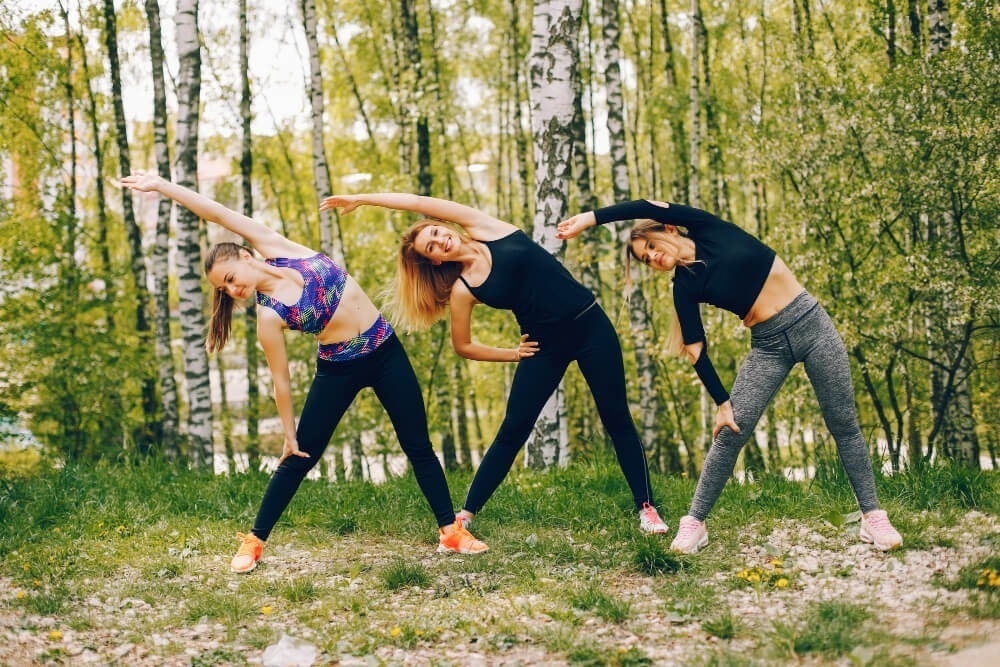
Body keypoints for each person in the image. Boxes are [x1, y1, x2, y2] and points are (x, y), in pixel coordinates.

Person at [116, 172, 487, 573]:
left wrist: (162, 186)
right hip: (338, 368)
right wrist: (289, 432)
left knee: (417, 445)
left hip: (385, 350)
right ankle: (254, 541)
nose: (232, 290)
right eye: (224, 290)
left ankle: (450, 531)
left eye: (229, 279)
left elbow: (218, 213)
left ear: (244, 256)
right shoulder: (267, 316)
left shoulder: (279, 248)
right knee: (298, 456)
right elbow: (281, 380)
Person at [557, 199, 902, 553]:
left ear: (669, 229)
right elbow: (695, 350)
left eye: (651, 246)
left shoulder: (709, 229)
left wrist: (590, 219)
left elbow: (645, 204)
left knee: (843, 423)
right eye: (646, 260)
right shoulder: (684, 286)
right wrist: (722, 403)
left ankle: (872, 517)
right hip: (769, 345)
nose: (654, 258)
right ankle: (694, 524)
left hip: (813, 326)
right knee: (730, 431)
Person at [319, 193, 670, 536]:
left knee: (616, 417)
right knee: (513, 429)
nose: (441, 241)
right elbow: (463, 345)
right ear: (435, 262)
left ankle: (647, 508)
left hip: (590, 326)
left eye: (437, 233)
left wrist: (363, 198)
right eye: (431, 247)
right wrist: (511, 353)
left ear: (446, 226)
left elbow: (419, 203)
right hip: (543, 347)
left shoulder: (487, 227)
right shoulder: (463, 288)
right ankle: (467, 514)